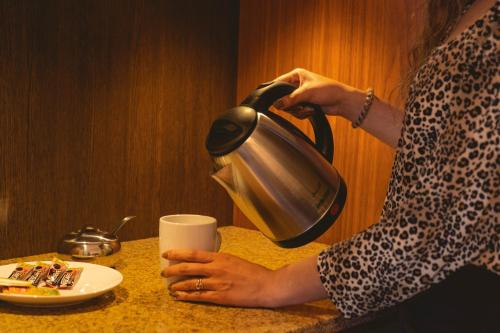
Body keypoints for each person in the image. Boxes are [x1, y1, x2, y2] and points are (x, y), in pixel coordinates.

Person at [162, 0, 498, 331]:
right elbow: (448, 151)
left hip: (472, 302)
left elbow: (437, 222)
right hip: (443, 293)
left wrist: (274, 284)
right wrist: (350, 102)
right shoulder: (470, 9)